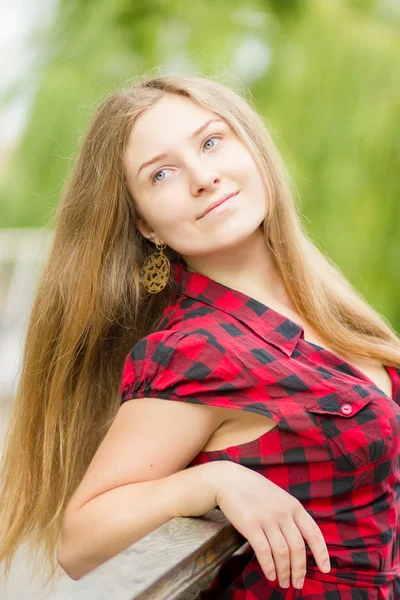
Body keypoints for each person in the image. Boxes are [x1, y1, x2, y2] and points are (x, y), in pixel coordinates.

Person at [0, 73, 399, 599]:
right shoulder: (196, 351)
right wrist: (208, 483)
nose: (203, 177)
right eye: (161, 174)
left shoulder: (322, 304)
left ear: (252, 149)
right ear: (147, 227)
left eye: (211, 142)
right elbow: (79, 541)